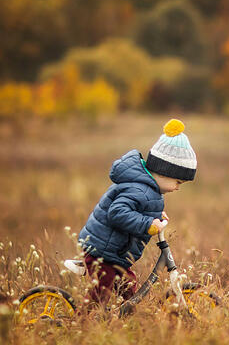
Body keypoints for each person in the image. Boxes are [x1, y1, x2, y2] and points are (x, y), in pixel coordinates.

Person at [78, 118, 196, 307]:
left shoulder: (149, 189)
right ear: (164, 172)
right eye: (178, 182)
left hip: (115, 254)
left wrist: (155, 216)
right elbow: (117, 213)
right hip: (102, 251)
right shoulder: (139, 188)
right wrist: (147, 224)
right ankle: (81, 324)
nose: (177, 188)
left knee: (129, 289)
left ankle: (131, 320)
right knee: (101, 292)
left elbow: (140, 208)